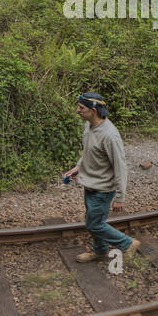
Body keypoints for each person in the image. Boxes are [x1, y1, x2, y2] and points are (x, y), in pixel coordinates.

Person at [61, 92, 141, 266]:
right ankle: (100, 250)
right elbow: (89, 153)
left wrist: (120, 197)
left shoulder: (109, 135)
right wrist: (78, 167)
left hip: (103, 188)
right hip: (89, 183)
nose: (77, 110)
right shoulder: (89, 126)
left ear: (94, 110)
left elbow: (120, 167)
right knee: (94, 220)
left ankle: (128, 243)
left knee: (94, 224)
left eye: (81, 108)